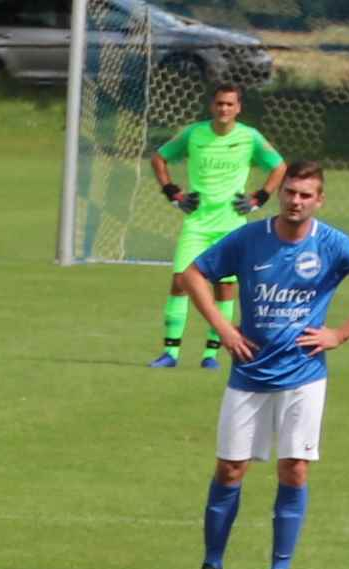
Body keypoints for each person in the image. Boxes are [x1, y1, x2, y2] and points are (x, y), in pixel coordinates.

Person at [179, 162, 349, 569]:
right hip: (249, 372)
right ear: (280, 194)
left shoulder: (333, 244)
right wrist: (223, 329)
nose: (296, 201)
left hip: (304, 375)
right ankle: (212, 567)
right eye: (290, 192)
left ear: (319, 200)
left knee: (294, 468)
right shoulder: (249, 239)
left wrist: (340, 334)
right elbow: (192, 274)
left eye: (305, 195)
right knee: (230, 468)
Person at [149, 84, 285, 370]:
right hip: (197, 224)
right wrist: (172, 192)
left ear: (238, 108)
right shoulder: (193, 133)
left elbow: (279, 166)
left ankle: (211, 355)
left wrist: (259, 197)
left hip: (231, 226)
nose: (224, 109)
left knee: (225, 288)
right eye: (220, 103)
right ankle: (170, 353)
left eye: (229, 104)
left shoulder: (249, 137)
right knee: (180, 282)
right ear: (212, 106)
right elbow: (159, 157)